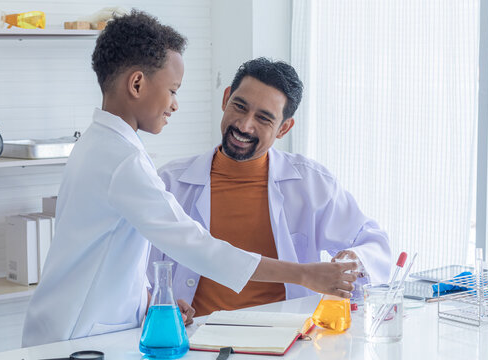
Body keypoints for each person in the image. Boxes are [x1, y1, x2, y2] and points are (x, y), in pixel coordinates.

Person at [21, 11, 357, 347]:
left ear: (284, 128)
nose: (175, 104)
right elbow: (199, 247)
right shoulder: (124, 160)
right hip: (77, 338)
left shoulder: (98, 143)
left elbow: (105, 253)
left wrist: (150, 305)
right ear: (137, 84)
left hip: (72, 328)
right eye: (172, 90)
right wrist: (306, 274)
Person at [148, 58, 392, 317]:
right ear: (225, 99)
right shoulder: (170, 183)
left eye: (263, 119)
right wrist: (157, 302)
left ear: (283, 128)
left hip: (287, 338)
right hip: (196, 339)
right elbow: (138, 273)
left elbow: (374, 242)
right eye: (239, 107)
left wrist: (355, 259)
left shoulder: (311, 183)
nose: (244, 125)